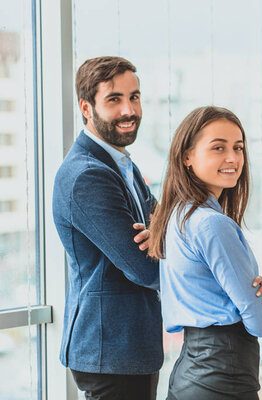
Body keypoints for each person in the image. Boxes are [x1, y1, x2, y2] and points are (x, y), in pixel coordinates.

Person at [148, 106, 262, 400]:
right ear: (187, 157)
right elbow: (260, 323)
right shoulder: (212, 224)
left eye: (238, 148)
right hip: (223, 376)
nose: (232, 158)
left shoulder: (176, 216)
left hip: (192, 371)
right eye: (218, 148)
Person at [52, 56, 162, 399]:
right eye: (114, 99)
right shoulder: (89, 175)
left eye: (135, 96)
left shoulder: (121, 163)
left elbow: (168, 224)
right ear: (87, 107)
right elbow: (144, 266)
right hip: (111, 350)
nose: (129, 110)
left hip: (127, 348)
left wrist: (161, 235)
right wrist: (161, 237)